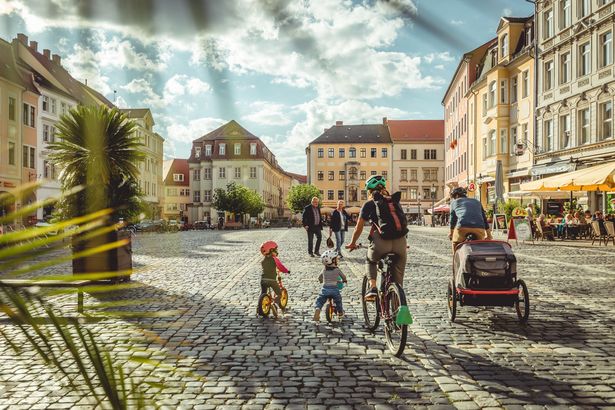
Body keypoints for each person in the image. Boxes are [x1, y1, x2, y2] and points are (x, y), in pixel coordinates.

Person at [346, 175, 408, 301]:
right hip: (401, 242)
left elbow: (359, 227)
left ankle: (373, 288)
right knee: (398, 275)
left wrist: (352, 243)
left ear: (369, 191)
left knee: (370, 261)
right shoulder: (395, 202)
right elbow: (402, 222)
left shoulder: (369, 204)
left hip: (380, 242)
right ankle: (398, 299)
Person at [448, 187, 492, 253]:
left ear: (456, 196)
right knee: (480, 244)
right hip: (479, 228)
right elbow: (484, 219)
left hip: (462, 227)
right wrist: (489, 235)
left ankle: (455, 260)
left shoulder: (454, 202)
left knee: (455, 243)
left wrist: (451, 234)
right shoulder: (477, 201)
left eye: (454, 197)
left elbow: (452, 220)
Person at [313, 250, 347, 322]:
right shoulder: (337, 269)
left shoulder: (324, 270)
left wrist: (321, 281)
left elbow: (319, 277)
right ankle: (340, 313)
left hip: (325, 289)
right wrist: (344, 280)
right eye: (336, 259)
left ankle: (317, 309)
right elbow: (343, 276)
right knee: (338, 301)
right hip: (334, 289)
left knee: (320, 301)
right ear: (333, 260)